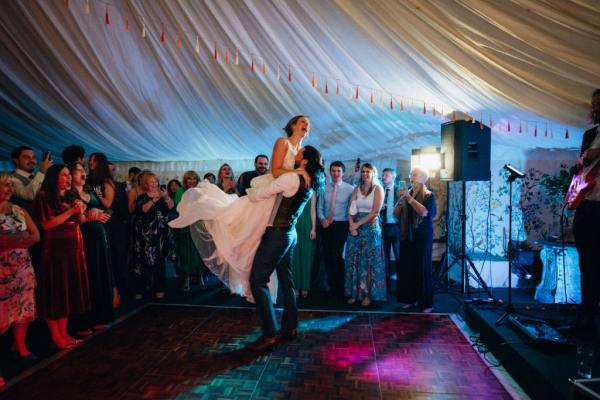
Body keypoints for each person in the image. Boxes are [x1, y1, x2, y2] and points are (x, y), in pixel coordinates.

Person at [169, 115, 312, 300]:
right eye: (303, 122)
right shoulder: (283, 142)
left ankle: (260, 289)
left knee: (261, 243)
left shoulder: (302, 150)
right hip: (270, 193)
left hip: (282, 202)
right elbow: (276, 171)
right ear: (293, 125)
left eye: (308, 125)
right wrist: (298, 172)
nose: (307, 126)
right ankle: (253, 284)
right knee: (243, 232)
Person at [247, 145, 325, 351]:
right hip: (290, 234)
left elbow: (257, 195)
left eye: (299, 154)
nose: (294, 155)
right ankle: (290, 327)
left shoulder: (292, 178)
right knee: (286, 278)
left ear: (305, 161)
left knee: (257, 280)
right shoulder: (309, 181)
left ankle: (269, 333)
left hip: (278, 234)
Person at [33, 164, 90, 349]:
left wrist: (80, 212)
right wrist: (71, 212)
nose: (69, 178)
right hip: (55, 250)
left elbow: (80, 221)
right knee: (55, 292)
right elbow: (47, 224)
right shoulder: (44, 197)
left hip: (74, 248)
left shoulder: (71, 195)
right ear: (53, 177)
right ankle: (55, 335)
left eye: (68, 175)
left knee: (68, 291)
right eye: (64, 175)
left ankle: (64, 332)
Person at [562, 88, 600, 338]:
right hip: (586, 203)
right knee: (587, 264)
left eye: (598, 104)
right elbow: (583, 162)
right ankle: (585, 319)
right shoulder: (590, 134)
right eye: (593, 104)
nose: (594, 108)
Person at [69, 162, 117, 331]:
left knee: (100, 274)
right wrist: (89, 216)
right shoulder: (69, 194)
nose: (83, 173)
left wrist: (103, 213)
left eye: (84, 171)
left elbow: (109, 210)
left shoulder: (89, 190)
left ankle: (101, 316)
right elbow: (71, 219)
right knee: (88, 278)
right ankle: (84, 321)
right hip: (82, 240)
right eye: (78, 171)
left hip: (99, 238)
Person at [0, 172, 40, 361]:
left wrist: (10, 240)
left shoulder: (19, 210)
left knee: (23, 308)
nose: (10, 189)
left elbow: (35, 236)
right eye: (6, 185)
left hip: (22, 268)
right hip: (2, 270)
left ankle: (21, 346)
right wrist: (20, 238)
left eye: (11, 185)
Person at [394, 167, 437, 313]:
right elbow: (395, 213)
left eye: (415, 174)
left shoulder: (429, 195)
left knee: (422, 266)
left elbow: (424, 212)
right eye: (411, 174)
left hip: (422, 235)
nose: (411, 176)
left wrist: (409, 198)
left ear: (423, 178)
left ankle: (426, 303)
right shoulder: (408, 193)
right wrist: (401, 201)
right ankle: (408, 299)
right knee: (406, 267)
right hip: (407, 233)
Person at [344, 163, 386, 306]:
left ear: (374, 173)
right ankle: (356, 294)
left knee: (368, 263)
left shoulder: (378, 189)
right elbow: (350, 209)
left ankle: (368, 295)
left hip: (370, 229)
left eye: (368, 171)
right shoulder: (357, 189)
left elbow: (375, 212)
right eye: (363, 171)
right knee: (354, 261)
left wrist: (357, 224)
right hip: (355, 229)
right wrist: (351, 225)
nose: (365, 174)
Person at [130, 171, 174, 299]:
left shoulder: (163, 195)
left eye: (156, 181)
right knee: (142, 261)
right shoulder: (142, 197)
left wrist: (166, 197)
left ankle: (159, 288)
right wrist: (153, 200)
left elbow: (171, 207)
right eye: (151, 182)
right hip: (145, 235)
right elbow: (142, 209)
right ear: (145, 184)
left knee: (159, 261)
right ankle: (141, 288)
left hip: (160, 234)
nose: (155, 184)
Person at [317, 161, 354, 297]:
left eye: (338, 171)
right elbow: (319, 207)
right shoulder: (323, 188)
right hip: (326, 226)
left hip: (342, 226)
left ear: (343, 173)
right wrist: (322, 219)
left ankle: (341, 288)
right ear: (330, 172)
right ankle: (331, 287)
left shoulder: (350, 189)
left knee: (338, 257)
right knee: (327, 257)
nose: (336, 173)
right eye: (333, 171)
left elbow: (352, 209)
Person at [173, 171, 207, 291]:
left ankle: (200, 277)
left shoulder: (201, 191)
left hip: (198, 226)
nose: (192, 181)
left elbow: (204, 206)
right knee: (185, 254)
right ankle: (186, 278)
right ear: (185, 180)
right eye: (189, 179)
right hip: (185, 227)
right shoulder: (180, 191)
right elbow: (179, 206)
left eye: (194, 178)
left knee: (198, 253)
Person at [10, 146, 53, 212]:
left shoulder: (37, 176)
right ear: (16, 161)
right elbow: (29, 195)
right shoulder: (11, 178)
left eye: (34, 157)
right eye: (26, 157)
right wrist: (42, 172)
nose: (32, 160)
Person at [291, 192, 317, 298]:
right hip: (294, 224)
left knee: (306, 256)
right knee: (295, 256)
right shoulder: (292, 189)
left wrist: (313, 228)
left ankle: (305, 287)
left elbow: (313, 211)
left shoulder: (312, 192)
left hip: (307, 225)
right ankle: (296, 287)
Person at [380, 168, 402, 292]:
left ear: (393, 177)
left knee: (399, 256)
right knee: (385, 257)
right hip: (384, 227)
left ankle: (401, 285)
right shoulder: (379, 190)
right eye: (383, 175)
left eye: (386, 175)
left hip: (396, 227)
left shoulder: (400, 190)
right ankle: (386, 286)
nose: (383, 177)